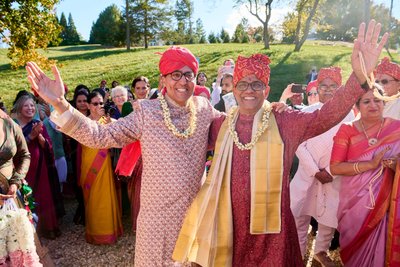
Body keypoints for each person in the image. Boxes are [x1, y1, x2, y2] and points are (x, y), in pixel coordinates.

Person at [172, 20, 388, 266]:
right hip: (230, 226)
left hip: (272, 233)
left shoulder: (284, 120)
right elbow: (187, 137)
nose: (249, 90)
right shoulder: (221, 125)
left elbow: (325, 116)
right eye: (243, 84)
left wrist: (358, 79)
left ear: (267, 89)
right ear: (234, 90)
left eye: (257, 84)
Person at [26, 46, 226, 266]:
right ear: (164, 79)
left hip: (195, 217)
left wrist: (266, 110)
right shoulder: (146, 112)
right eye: (175, 74)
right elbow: (100, 136)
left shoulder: (204, 108)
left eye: (189, 75)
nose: (183, 81)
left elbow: (234, 129)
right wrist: (60, 103)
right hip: (157, 222)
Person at [290, 66, 355, 266]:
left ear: (340, 88)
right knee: (298, 219)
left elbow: (349, 147)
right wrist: (314, 171)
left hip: (332, 176)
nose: (328, 90)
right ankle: (297, 258)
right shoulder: (306, 112)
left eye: (333, 86)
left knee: (327, 222)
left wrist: (329, 172)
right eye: (323, 85)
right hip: (306, 174)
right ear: (317, 87)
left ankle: (320, 254)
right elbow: (297, 143)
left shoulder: (349, 115)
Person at [330, 88, 400, 266]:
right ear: (357, 106)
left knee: (386, 241)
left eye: (377, 100)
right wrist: (370, 164)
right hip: (355, 202)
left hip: (390, 200)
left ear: (385, 103)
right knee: (356, 248)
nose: (373, 105)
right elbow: (335, 167)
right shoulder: (347, 130)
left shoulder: (397, 128)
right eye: (366, 101)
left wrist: (395, 166)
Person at [14, 95, 64, 239]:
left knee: (44, 196)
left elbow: (49, 147)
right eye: (26, 106)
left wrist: (40, 137)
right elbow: (14, 150)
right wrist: (30, 137)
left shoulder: (38, 123)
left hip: (41, 167)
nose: (30, 108)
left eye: (32, 105)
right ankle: (31, 231)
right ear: (19, 108)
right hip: (23, 168)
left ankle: (48, 227)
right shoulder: (15, 127)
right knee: (26, 198)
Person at [80, 91, 123, 244]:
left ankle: (109, 231)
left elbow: (122, 130)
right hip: (89, 161)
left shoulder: (108, 120)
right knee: (93, 195)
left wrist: (110, 120)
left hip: (104, 162)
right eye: (95, 103)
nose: (99, 106)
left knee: (105, 193)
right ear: (89, 105)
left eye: (101, 103)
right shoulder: (83, 122)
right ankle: (95, 232)